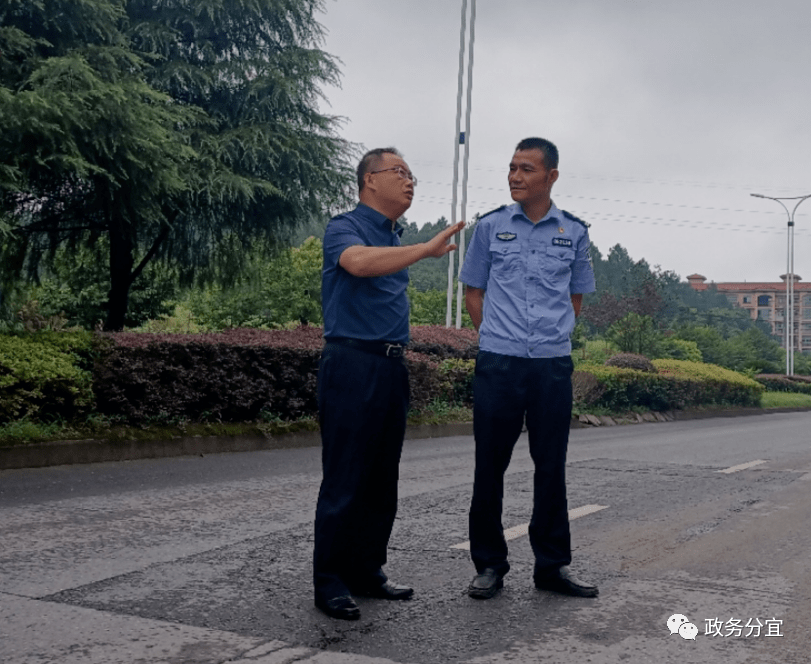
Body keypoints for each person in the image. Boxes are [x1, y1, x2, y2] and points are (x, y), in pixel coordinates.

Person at [313, 147, 465, 620]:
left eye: (412, 174)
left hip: (391, 367)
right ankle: (331, 580)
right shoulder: (346, 226)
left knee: (382, 478)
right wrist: (424, 250)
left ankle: (367, 570)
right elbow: (357, 264)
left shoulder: (394, 236)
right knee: (346, 478)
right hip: (352, 363)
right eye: (399, 172)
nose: (410, 181)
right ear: (368, 180)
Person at [459, 137, 598, 600]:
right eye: (512, 167)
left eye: (526, 169)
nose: (515, 176)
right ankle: (489, 565)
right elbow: (473, 292)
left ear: (551, 177)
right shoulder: (489, 227)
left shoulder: (574, 232)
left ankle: (552, 566)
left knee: (551, 466)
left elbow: (574, 298)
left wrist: (547, 336)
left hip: (551, 365)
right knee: (489, 467)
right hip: (499, 363)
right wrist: (497, 336)